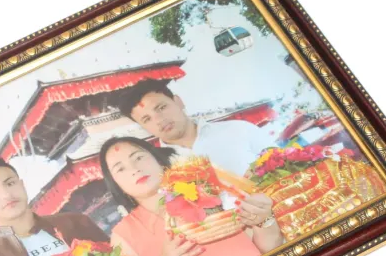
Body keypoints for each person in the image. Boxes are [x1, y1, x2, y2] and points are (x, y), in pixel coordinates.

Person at [99, 137, 285, 256]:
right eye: (120, 169)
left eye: (138, 158)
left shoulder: (209, 190)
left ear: (158, 160)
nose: (134, 169)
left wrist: (265, 220)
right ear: (116, 185)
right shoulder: (123, 237)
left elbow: (270, 249)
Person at [118, 78, 280, 234]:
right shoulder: (160, 170)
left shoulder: (239, 130)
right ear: (143, 127)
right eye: (147, 119)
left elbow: (285, 167)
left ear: (178, 101)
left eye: (161, 108)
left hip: (282, 219)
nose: (159, 120)